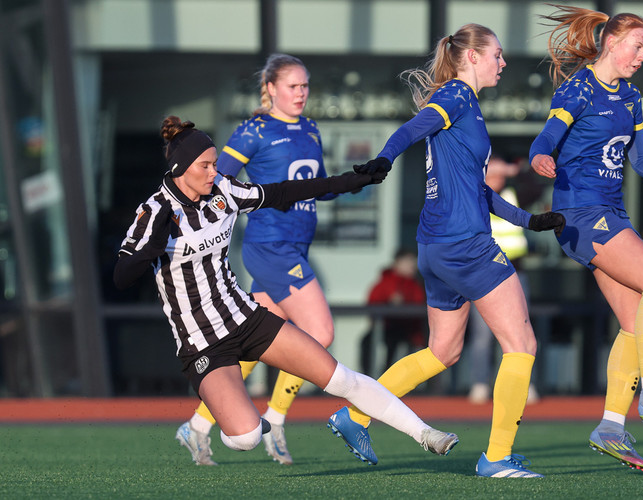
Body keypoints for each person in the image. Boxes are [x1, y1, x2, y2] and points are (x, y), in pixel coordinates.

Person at [114, 116, 459, 467]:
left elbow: (282, 192)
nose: (214, 172)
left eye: (215, 164)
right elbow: (121, 277)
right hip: (202, 343)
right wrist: (150, 247)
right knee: (246, 437)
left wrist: (349, 181)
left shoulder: (223, 191)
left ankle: (425, 433)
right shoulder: (154, 212)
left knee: (340, 377)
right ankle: (235, 421)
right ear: (180, 168)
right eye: (205, 166)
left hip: (246, 318)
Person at [326, 24, 565, 478]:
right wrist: (385, 158)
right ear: (471, 57)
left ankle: (355, 415)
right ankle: (497, 457)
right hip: (466, 245)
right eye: (496, 54)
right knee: (522, 344)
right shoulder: (457, 95)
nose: (503, 62)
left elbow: (478, 190)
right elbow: (412, 128)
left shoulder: (465, 105)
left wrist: (528, 221)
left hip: (435, 247)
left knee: (442, 351)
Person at [529, 5, 643, 470]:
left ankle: (610, 427)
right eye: (637, 46)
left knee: (632, 325)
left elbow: (642, 160)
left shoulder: (630, 97)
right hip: (581, 214)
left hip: (610, 213)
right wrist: (540, 157)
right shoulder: (579, 88)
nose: (642, 56)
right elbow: (545, 137)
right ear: (611, 42)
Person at [176, 54, 338, 466]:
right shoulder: (254, 131)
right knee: (319, 333)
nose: (300, 93)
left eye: (305, 85)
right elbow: (213, 179)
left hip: (297, 246)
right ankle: (276, 419)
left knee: (251, 345)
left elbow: (316, 185)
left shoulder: (310, 128)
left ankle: (197, 425)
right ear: (270, 89)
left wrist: (354, 180)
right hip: (270, 247)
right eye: (292, 86)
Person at [466, 157, 538, 405]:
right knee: (482, 335)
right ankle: (479, 384)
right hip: (483, 274)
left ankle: (524, 385)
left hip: (515, 273)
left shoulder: (513, 195)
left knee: (520, 330)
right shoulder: (471, 196)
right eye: (491, 172)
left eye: (499, 173)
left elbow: (537, 188)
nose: (496, 178)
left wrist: (515, 170)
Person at [360, 248, 426, 376]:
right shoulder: (385, 282)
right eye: (408, 261)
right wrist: (389, 302)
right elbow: (372, 303)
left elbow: (420, 306)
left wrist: (404, 303)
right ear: (397, 262)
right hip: (385, 327)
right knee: (366, 341)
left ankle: (389, 378)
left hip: (409, 331)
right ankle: (368, 378)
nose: (413, 265)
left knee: (397, 344)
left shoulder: (416, 285)